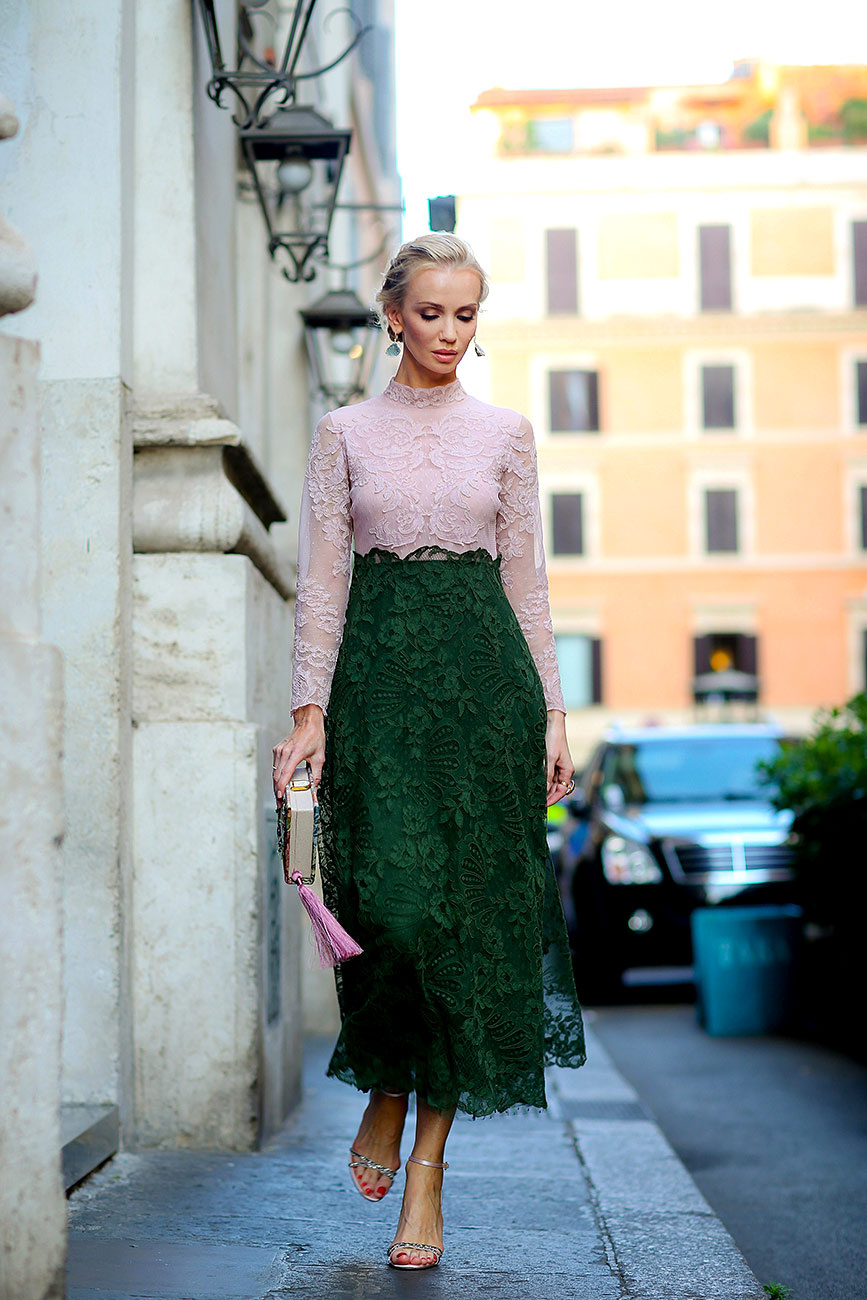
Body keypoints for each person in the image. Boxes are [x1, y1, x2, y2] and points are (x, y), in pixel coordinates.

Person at [272, 233, 585, 1270]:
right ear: (392, 316)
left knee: (468, 934)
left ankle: (427, 1180)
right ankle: (388, 1086)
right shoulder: (344, 431)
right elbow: (323, 580)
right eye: (432, 313)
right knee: (392, 916)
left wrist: (550, 713)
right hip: (380, 692)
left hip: (486, 697)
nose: (450, 332)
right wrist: (308, 710)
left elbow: (527, 583)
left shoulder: (508, 433)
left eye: (466, 315)